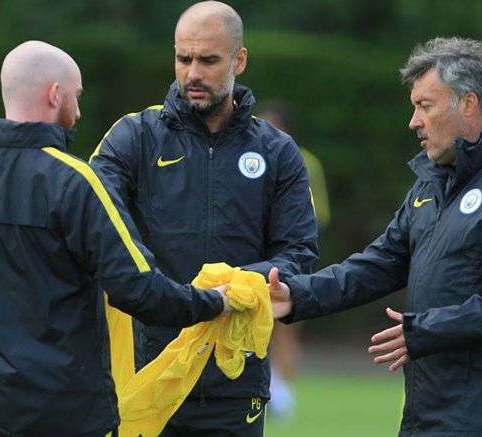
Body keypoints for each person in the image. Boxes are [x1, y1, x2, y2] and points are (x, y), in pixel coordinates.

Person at [268, 37, 482, 436]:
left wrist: (429, 330)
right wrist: (297, 295)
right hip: (424, 414)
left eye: (424, 106)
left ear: (468, 104)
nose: (414, 121)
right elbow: (379, 263)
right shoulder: (431, 184)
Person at [0, 40, 233, 437]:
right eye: (75, 96)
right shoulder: (76, 181)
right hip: (68, 411)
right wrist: (215, 302)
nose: (78, 110)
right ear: (55, 94)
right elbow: (140, 290)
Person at [89, 2, 319, 435]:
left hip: (236, 379)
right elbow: (96, 227)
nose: (193, 73)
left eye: (208, 60)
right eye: (183, 58)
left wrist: (239, 286)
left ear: (239, 60)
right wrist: (159, 292)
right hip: (147, 372)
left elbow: (298, 252)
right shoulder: (132, 138)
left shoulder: (278, 152)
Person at [258, 102, 331, 421]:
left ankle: (284, 394)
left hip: (288, 259)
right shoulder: (249, 158)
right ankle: (260, 390)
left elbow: (317, 214)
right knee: (254, 326)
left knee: (286, 326)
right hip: (255, 259)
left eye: (275, 126)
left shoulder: (304, 161)